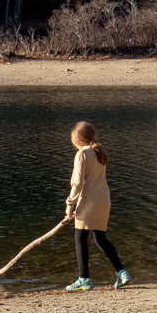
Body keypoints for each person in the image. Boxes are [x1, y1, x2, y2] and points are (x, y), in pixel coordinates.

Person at [64, 121, 132, 291]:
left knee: (80, 238)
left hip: (88, 200)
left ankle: (84, 278)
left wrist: (69, 204)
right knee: (100, 238)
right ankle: (121, 272)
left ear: (77, 139)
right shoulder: (99, 152)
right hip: (104, 199)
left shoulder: (82, 154)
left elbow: (78, 183)